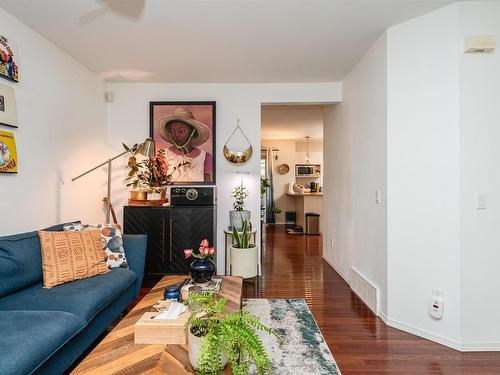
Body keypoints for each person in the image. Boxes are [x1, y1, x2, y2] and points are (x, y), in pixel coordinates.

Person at [154, 108, 213, 182]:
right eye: (172, 131)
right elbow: (159, 184)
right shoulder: (163, 155)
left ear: (192, 132)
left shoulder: (205, 157)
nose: (176, 135)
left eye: (181, 131)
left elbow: (207, 187)